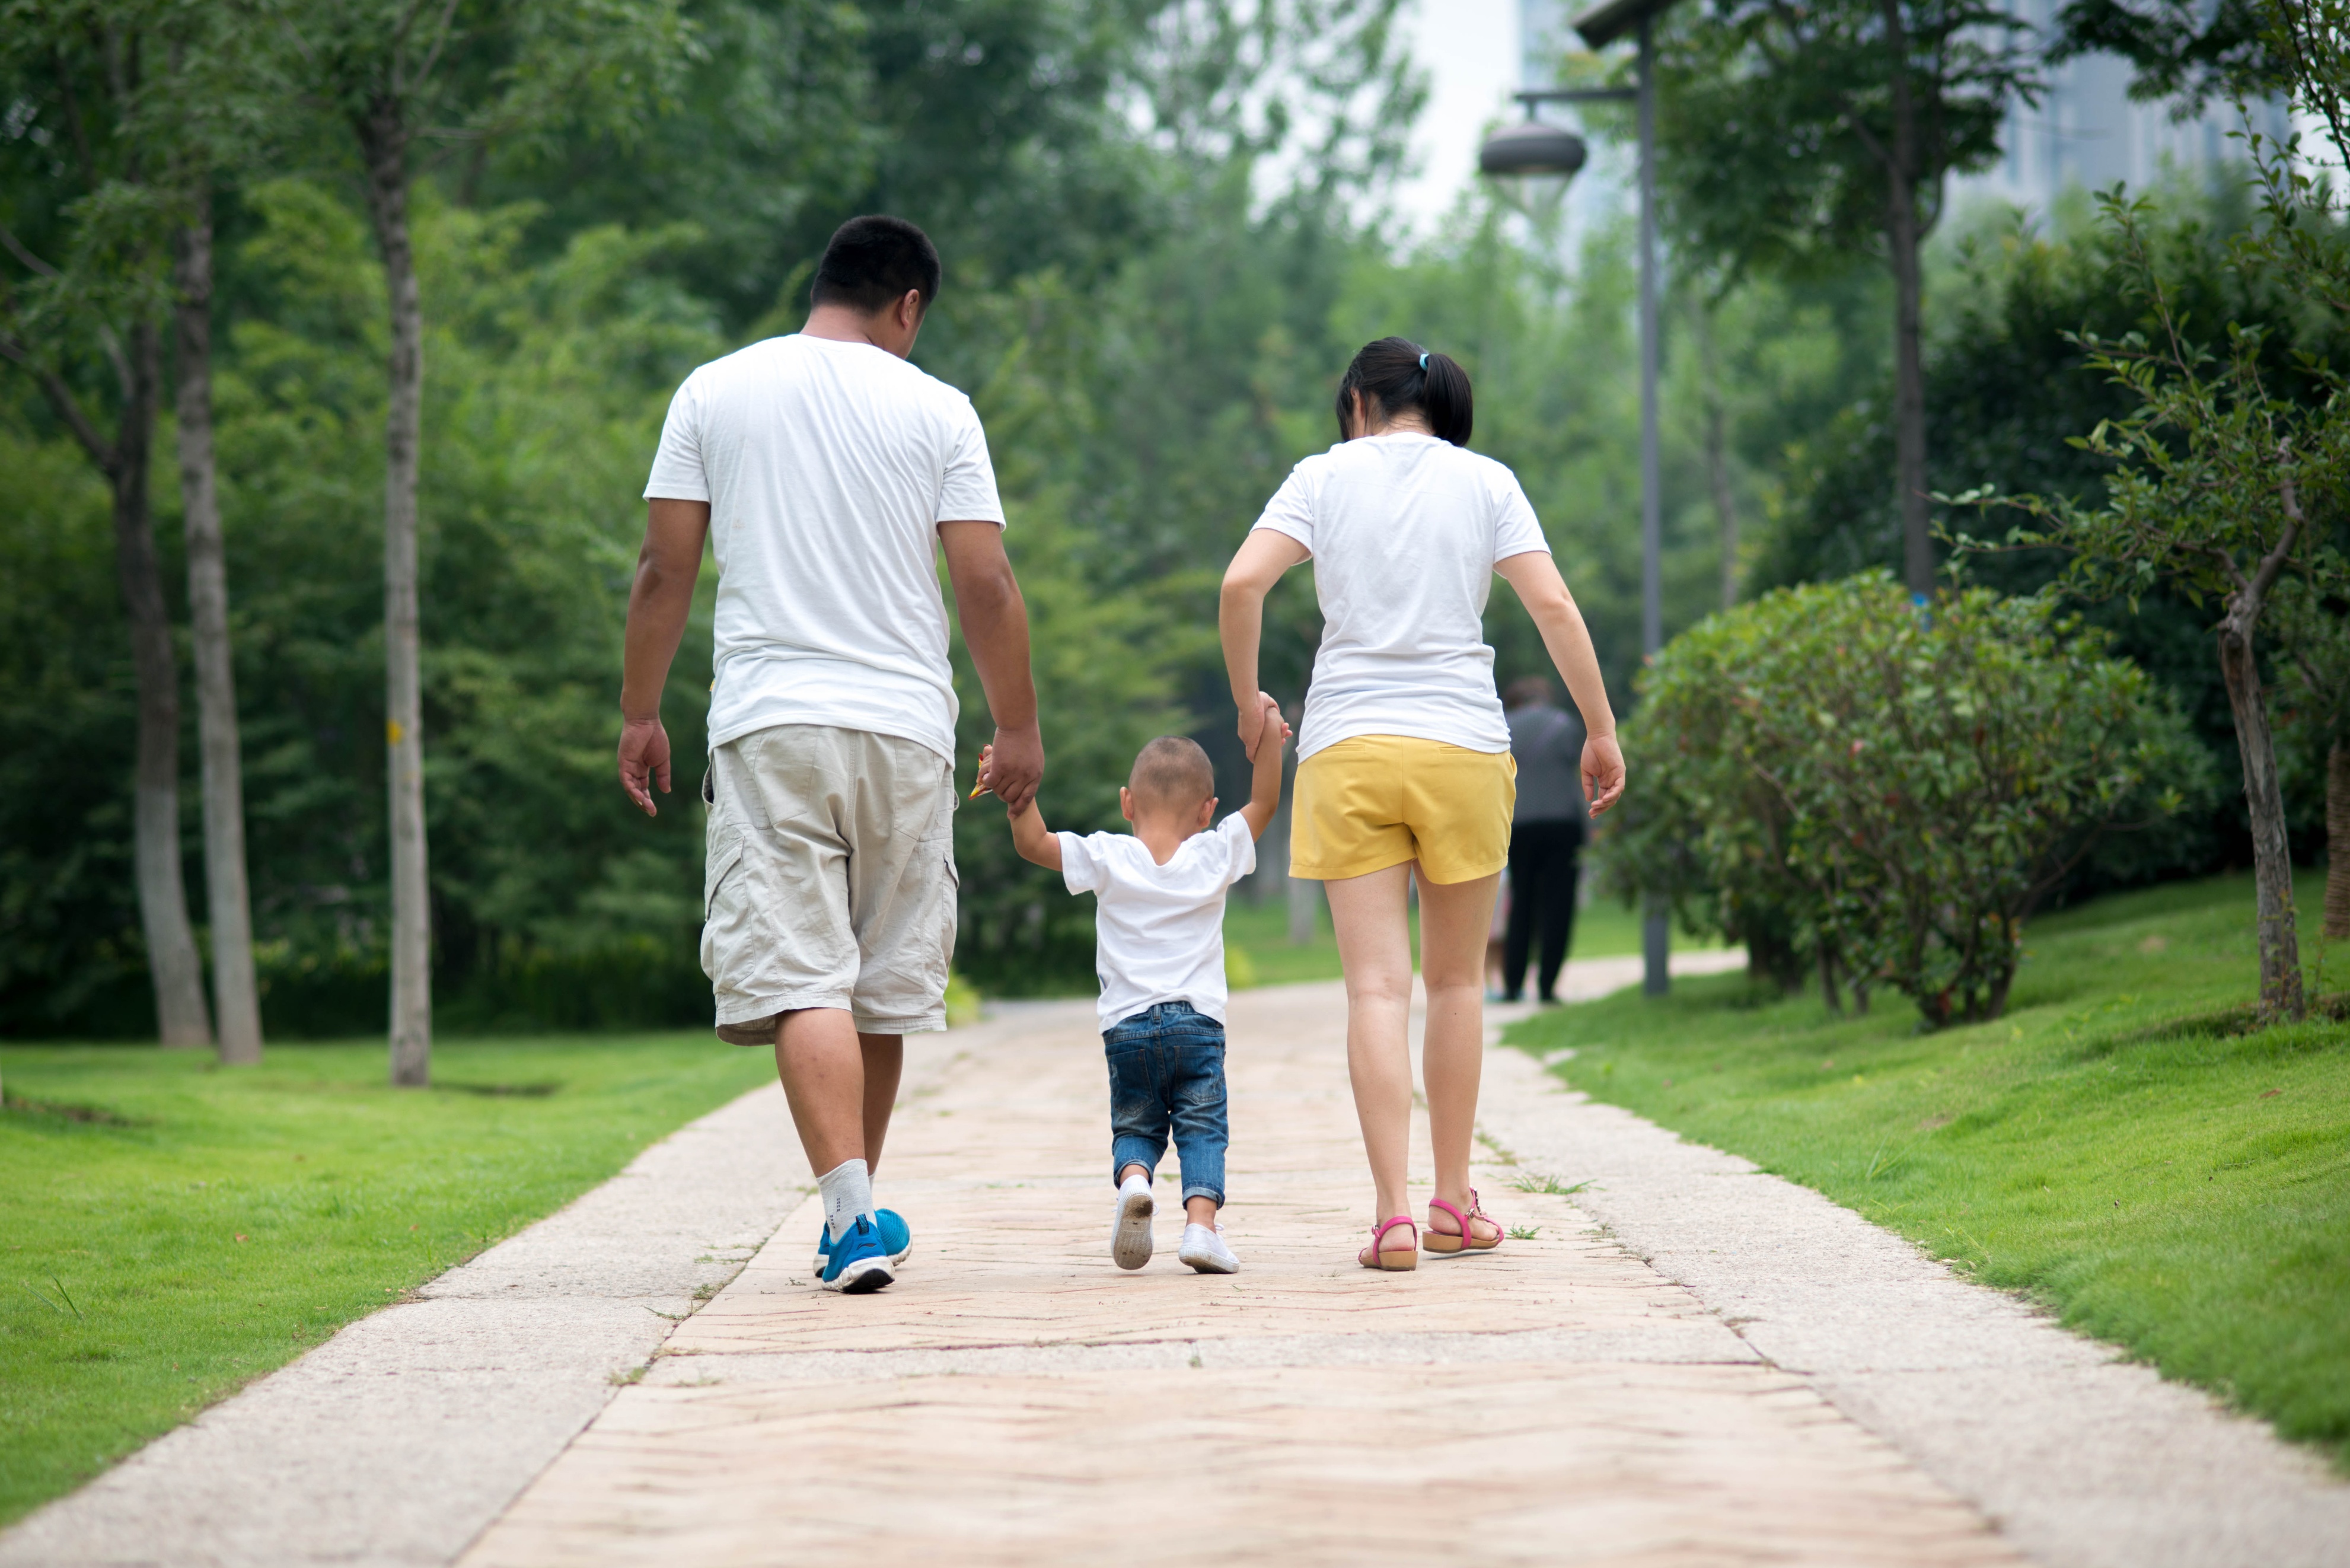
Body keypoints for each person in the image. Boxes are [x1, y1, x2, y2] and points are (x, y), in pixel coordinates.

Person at [617, 215, 1042, 1295]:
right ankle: (855, 1212)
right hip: (904, 725)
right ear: (907, 305)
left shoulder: (712, 391)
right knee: (881, 982)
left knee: (805, 970)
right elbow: (985, 584)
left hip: (771, 720)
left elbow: (663, 569)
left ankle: (850, 1212)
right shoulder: (939, 408)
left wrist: (639, 709)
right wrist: (1019, 726)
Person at [1219, 336, 1625, 1272]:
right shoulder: (1485, 482)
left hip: (1347, 747)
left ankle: (1391, 1216)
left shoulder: (1319, 478)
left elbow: (1243, 582)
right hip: (1462, 747)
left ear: (1357, 401)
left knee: (1373, 988)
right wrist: (1599, 729)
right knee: (1452, 983)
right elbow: (1552, 606)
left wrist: (1249, 702)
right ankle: (1452, 1200)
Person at [981, 698, 1289, 1276]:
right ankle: (1201, 1227)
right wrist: (1269, 737)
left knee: (1137, 1122)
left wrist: (1016, 791)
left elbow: (1034, 843)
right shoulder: (1215, 850)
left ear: (1127, 802)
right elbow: (1267, 800)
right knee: (1202, 1125)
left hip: (1126, 1027)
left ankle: (1135, 1182)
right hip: (1198, 1024)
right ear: (1207, 811)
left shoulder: (1107, 854)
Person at [1501, 675, 1588, 1003]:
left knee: (1521, 903)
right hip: (1562, 823)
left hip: (1517, 824)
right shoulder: (1564, 724)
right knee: (1559, 905)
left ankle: (1513, 983)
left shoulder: (1505, 725)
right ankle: (1548, 985)